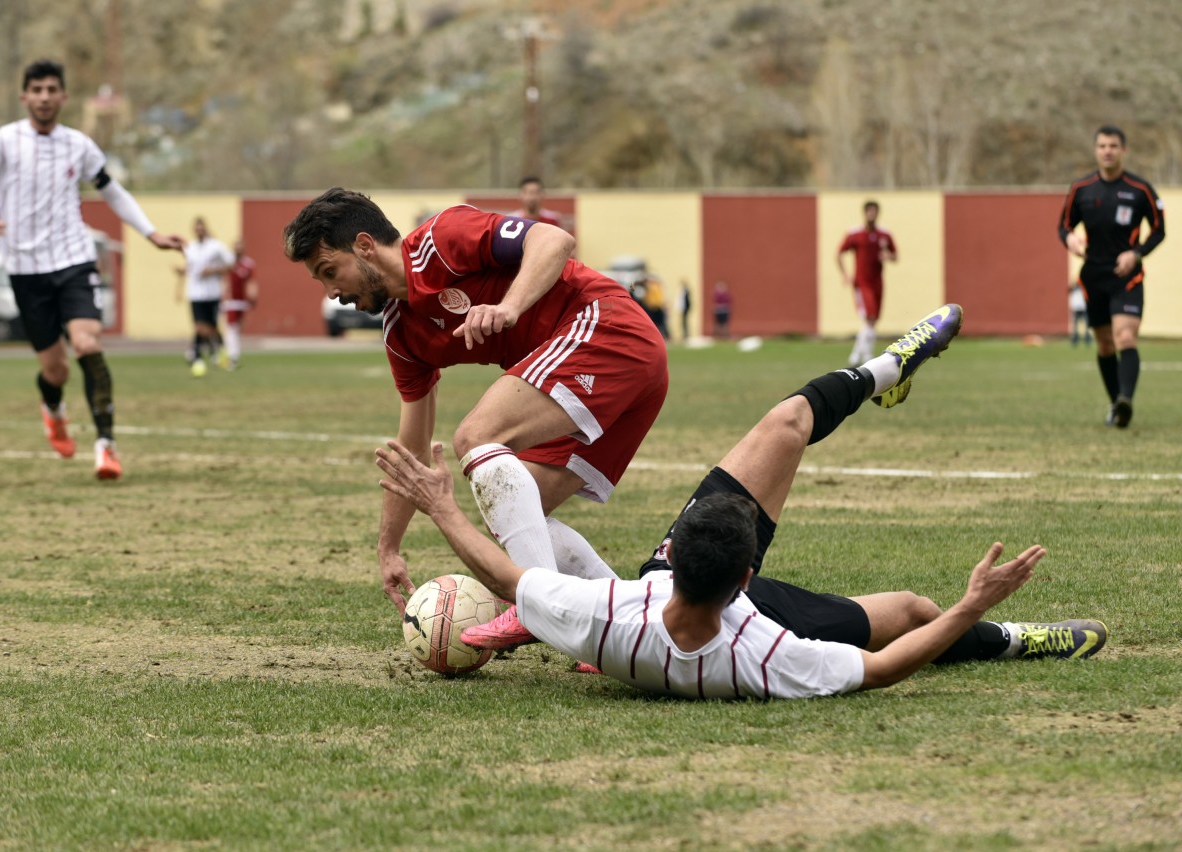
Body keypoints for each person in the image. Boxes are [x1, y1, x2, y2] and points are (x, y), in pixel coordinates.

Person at [378, 303, 1109, 700]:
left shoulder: (610, 617)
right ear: (747, 578)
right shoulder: (764, 654)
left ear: (669, 553)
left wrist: (443, 510)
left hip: (645, 612)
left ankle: (889, 368)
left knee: (785, 426)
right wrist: (973, 608)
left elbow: (511, 578)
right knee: (918, 610)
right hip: (753, 614)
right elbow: (886, 667)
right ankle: (1021, 638)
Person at [283, 188, 669, 648]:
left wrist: (509, 307)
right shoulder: (402, 333)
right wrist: (388, 547)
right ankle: (627, 630)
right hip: (626, 367)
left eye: (330, 273)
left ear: (365, 246)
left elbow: (554, 241)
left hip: (605, 326)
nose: (332, 292)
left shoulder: (440, 241)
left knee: (477, 436)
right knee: (517, 504)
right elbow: (412, 447)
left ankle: (536, 605)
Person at [0, 59, 184, 481]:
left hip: (74, 260)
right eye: (36, 90)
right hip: (25, 269)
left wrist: (150, 233)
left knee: (87, 342)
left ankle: (106, 447)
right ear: (24, 96)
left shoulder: (79, 145)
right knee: (55, 370)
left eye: (51, 90)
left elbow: (112, 191)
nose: (44, 97)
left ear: (63, 96)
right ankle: (53, 408)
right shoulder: (4, 142)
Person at [1058, 125, 1166, 429]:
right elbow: (1064, 226)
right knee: (1105, 345)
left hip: (1126, 278)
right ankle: (1116, 404)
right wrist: (1071, 240)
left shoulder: (1139, 189)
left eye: (1113, 146)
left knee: (1125, 336)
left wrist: (1137, 253)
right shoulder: (1081, 190)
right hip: (1093, 276)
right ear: (1096, 150)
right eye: (1102, 145)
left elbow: (1159, 230)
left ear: (1123, 150)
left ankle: (1126, 400)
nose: (1108, 151)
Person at [837, 200, 898, 368]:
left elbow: (895, 256)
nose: (872, 214)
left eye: (875, 211)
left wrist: (888, 256)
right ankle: (868, 355)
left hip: (877, 282)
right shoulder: (855, 234)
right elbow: (839, 253)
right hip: (862, 282)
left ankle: (856, 353)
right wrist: (844, 274)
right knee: (869, 317)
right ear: (864, 213)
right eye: (869, 211)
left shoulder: (884, 235)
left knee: (873, 320)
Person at [177, 216, 234, 377]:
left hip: (212, 293)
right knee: (199, 327)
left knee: (212, 328)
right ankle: (197, 356)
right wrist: (181, 276)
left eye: (202, 227)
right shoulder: (190, 248)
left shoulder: (216, 246)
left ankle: (218, 352)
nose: (199, 230)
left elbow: (230, 264)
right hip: (195, 294)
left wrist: (214, 271)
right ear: (194, 230)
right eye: (197, 228)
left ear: (205, 228)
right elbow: (189, 268)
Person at [222, 237, 259, 370]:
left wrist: (253, 295)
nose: (238, 248)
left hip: (242, 302)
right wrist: (223, 295)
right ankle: (232, 356)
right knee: (231, 328)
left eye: (240, 246)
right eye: (236, 246)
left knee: (237, 330)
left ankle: (232, 354)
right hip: (230, 302)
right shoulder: (228, 263)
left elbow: (251, 281)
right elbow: (223, 279)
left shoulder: (248, 264)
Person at [1069, 280, 1092, 347]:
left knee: (1087, 324)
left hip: (1083, 308)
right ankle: (1075, 338)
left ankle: (1087, 338)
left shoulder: (1083, 288)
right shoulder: (1074, 289)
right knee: (1075, 325)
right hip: (1076, 309)